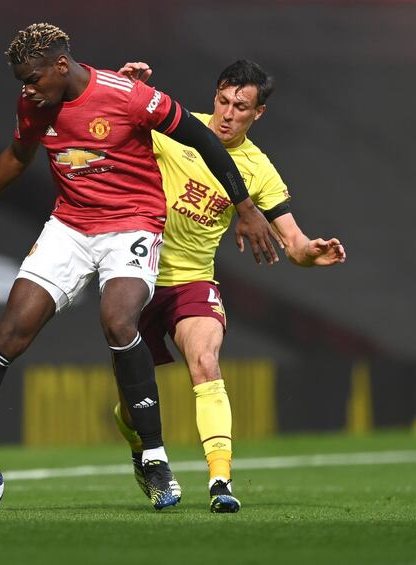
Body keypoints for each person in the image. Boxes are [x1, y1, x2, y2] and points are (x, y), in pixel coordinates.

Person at [0, 23, 279, 510]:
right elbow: (18, 154)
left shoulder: (127, 96)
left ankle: (156, 461)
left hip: (133, 223)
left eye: (32, 78)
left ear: (61, 66)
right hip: (71, 225)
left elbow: (202, 137)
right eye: (20, 81)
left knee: (118, 321)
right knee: (10, 331)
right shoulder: (35, 104)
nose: (26, 89)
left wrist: (244, 206)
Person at [111, 59, 346, 513]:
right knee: (130, 406)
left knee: (205, 361)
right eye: (223, 100)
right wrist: (127, 89)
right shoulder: (175, 129)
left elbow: (293, 243)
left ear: (258, 114)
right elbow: (116, 127)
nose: (227, 113)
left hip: (192, 282)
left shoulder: (258, 170)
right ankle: (141, 451)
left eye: (240, 106)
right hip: (134, 277)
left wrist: (311, 254)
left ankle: (220, 483)